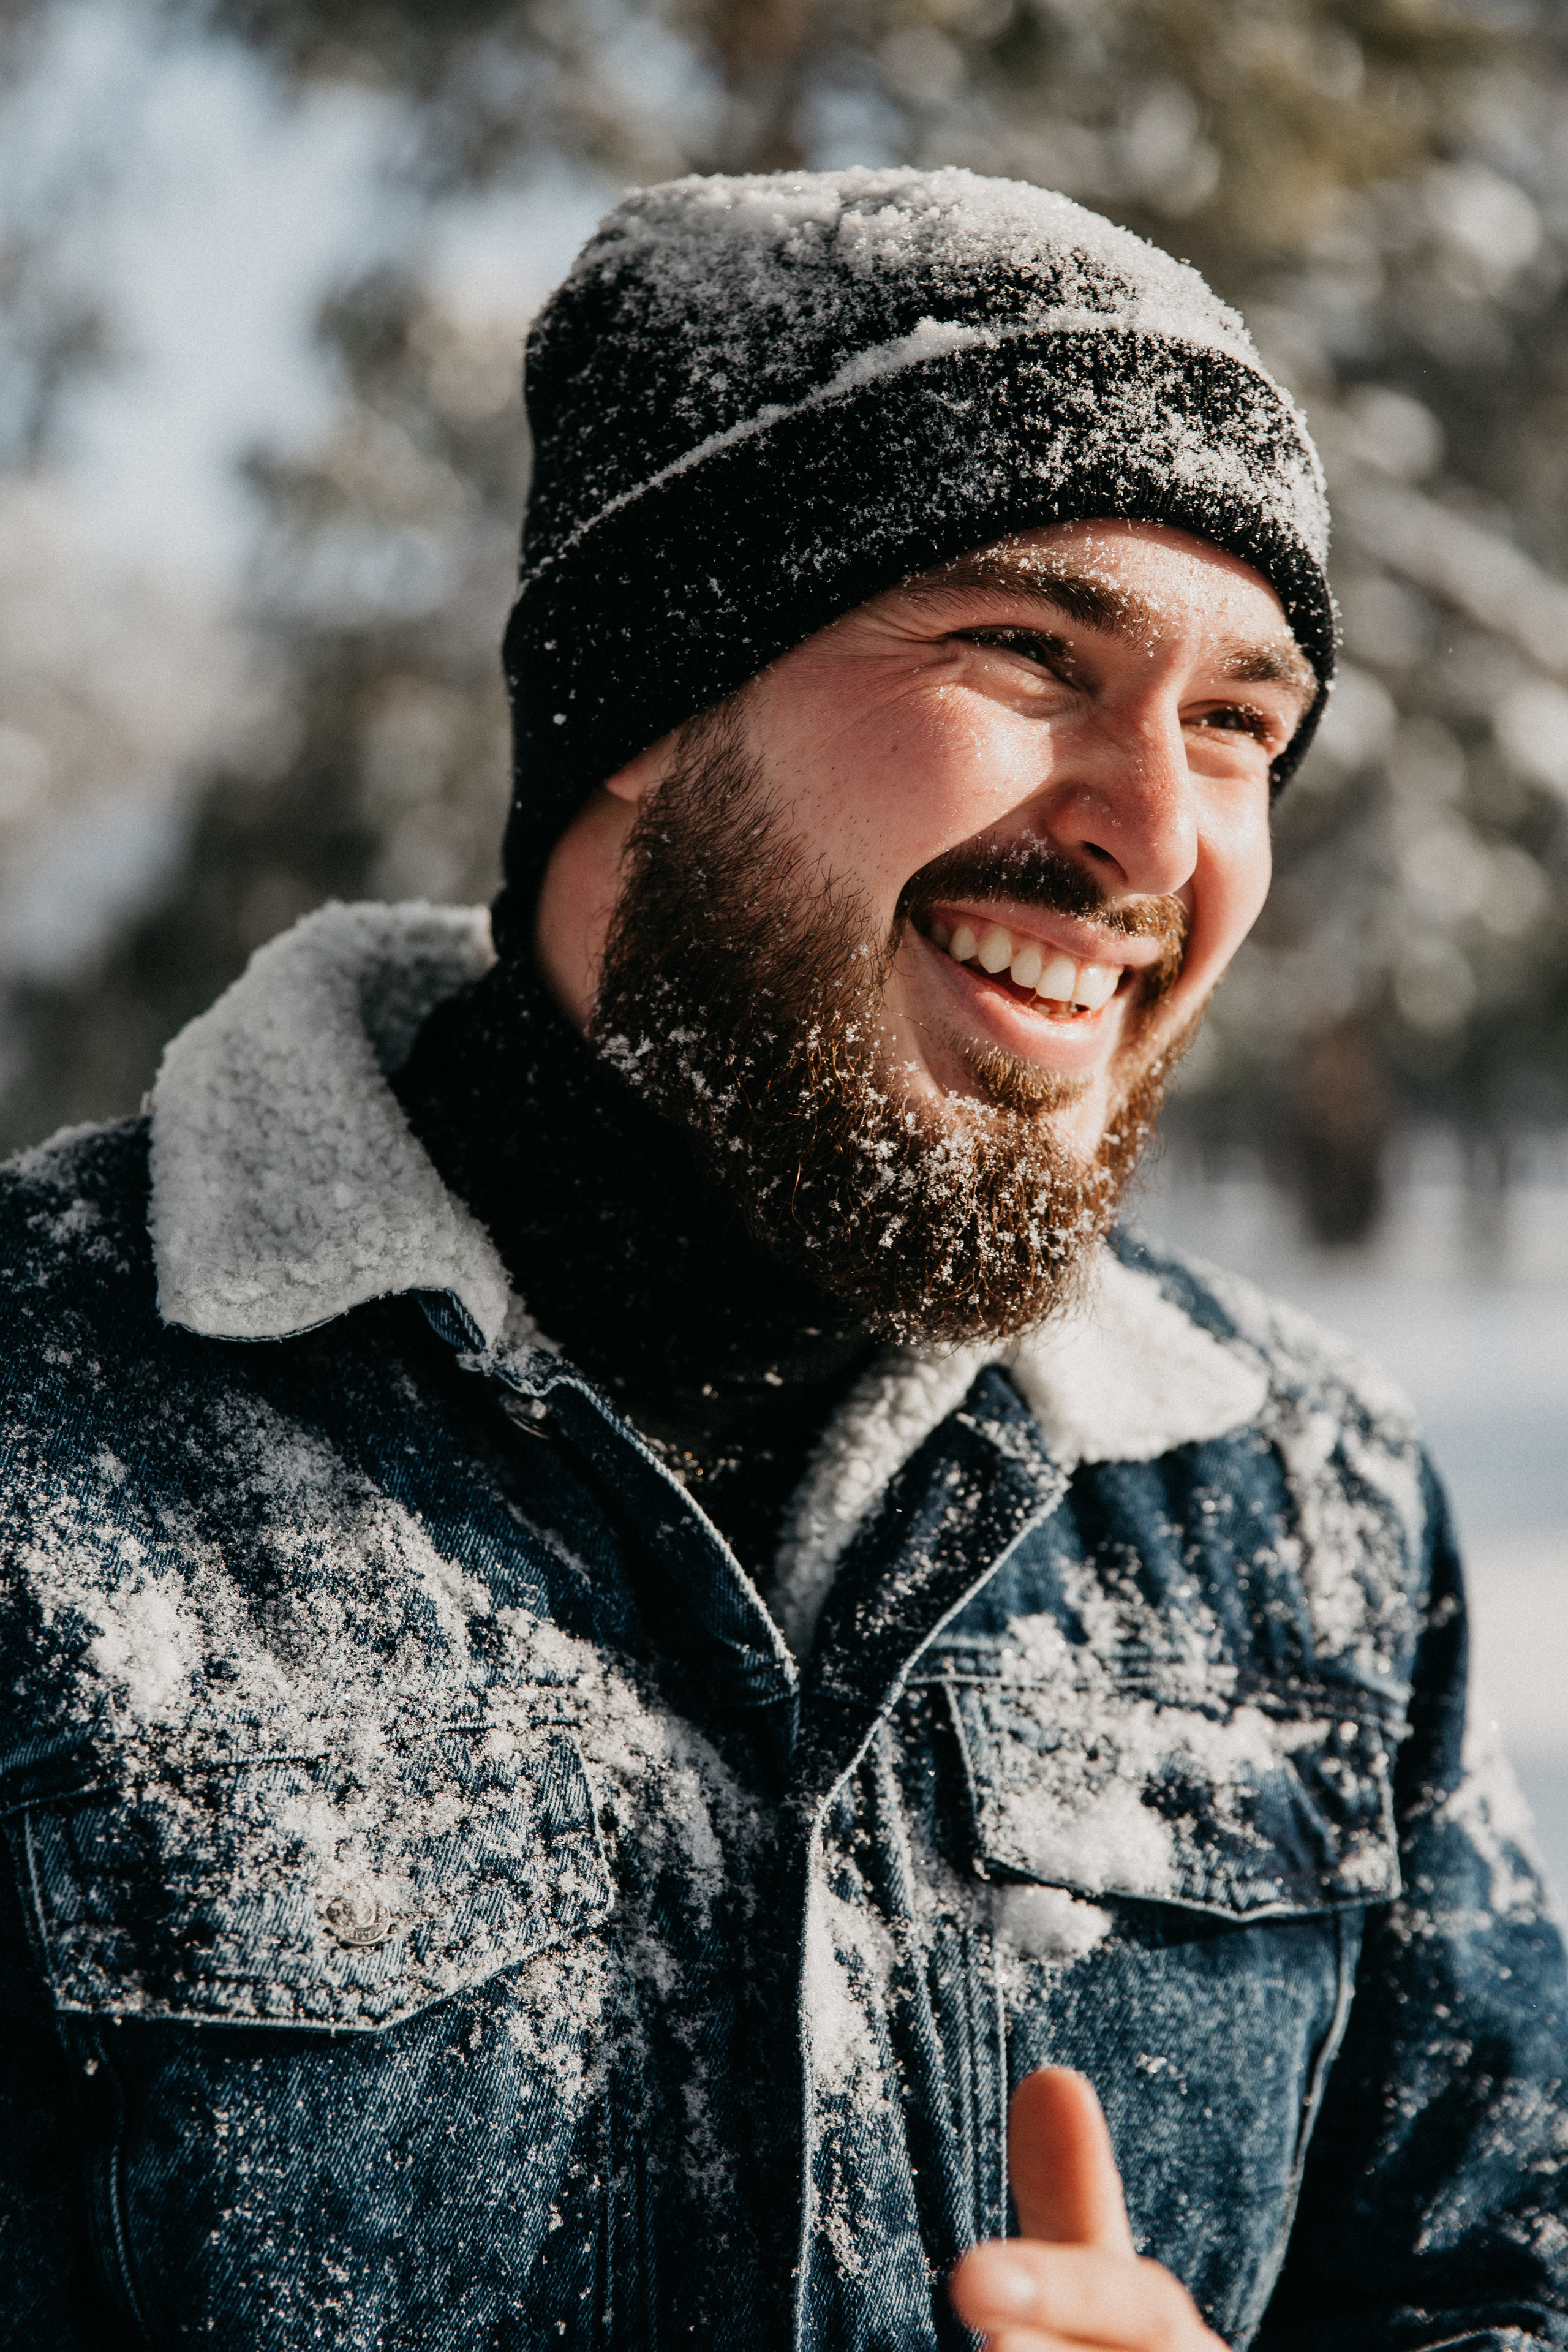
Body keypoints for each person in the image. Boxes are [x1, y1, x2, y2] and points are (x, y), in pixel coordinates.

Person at [1, 167, 1562, 2352]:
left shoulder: (1298, 1508)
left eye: (1238, 720)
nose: (1156, 832)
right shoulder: (46, 1449)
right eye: (1030, 650)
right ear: (654, 692)